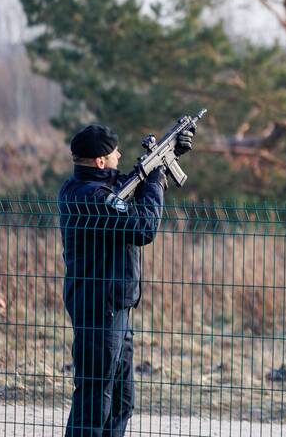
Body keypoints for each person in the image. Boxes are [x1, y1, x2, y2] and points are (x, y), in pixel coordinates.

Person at [59, 122, 194, 437]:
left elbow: (123, 186)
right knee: (94, 402)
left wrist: (167, 156)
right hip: (99, 308)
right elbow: (143, 227)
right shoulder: (93, 198)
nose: (120, 154)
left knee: (121, 402)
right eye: (114, 152)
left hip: (114, 305)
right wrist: (157, 181)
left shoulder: (80, 186)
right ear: (100, 161)